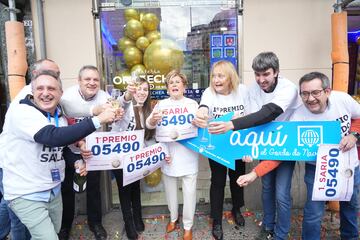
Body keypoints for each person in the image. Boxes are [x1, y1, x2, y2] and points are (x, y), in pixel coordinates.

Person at [1, 70, 115, 239]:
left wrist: (77, 162)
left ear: (60, 94)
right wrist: (98, 119)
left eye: (51, 89)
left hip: (52, 191)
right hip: (27, 194)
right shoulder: (23, 112)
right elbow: (52, 136)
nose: (46, 93)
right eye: (40, 88)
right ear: (32, 91)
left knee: (51, 232)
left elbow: (61, 148)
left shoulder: (59, 116)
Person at [203, 53, 302, 240]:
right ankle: (266, 226)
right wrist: (249, 146)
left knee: (281, 193)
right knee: (265, 188)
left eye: (266, 74)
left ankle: (280, 233)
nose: (261, 79)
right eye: (257, 74)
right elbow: (253, 120)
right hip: (259, 144)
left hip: (284, 144)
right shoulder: (252, 89)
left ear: (276, 72)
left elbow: (267, 113)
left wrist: (232, 125)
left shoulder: (288, 88)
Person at [288, 72, 360, 240]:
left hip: (349, 166)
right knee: (313, 212)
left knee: (350, 207)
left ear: (327, 91)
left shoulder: (343, 100)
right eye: (304, 93)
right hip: (316, 169)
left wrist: (353, 135)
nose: (310, 98)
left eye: (315, 92)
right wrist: (256, 172)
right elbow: (282, 147)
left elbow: (358, 118)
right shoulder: (298, 116)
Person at [0, 58, 60, 240]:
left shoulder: (53, 102)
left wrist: (95, 110)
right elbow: (50, 136)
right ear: (34, 77)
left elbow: (68, 112)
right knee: (18, 220)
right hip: (20, 179)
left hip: (43, 181)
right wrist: (96, 119)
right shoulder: (24, 103)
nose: (54, 78)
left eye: (57, 75)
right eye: (50, 74)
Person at [192, 60, 250, 240]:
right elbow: (204, 106)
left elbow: (251, 117)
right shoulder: (209, 93)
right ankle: (216, 219)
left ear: (230, 77)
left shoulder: (243, 91)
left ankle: (236, 208)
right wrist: (201, 113)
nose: (216, 80)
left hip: (239, 142)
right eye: (214, 76)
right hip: (217, 144)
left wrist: (249, 148)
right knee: (217, 181)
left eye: (220, 76)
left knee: (237, 179)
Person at [58, 65, 118, 240]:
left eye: (96, 80)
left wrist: (117, 113)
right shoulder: (67, 96)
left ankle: (95, 223)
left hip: (94, 151)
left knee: (94, 189)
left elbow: (113, 115)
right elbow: (67, 117)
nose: (92, 83)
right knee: (67, 189)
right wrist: (95, 112)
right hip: (70, 150)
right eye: (87, 79)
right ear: (79, 81)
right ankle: (65, 226)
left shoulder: (104, 96)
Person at [146, 70, 199, 240]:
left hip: (189, 155)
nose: (174, 85)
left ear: (184, 86)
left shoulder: (193, 105)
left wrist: (198, 123)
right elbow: (150, 124)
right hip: (168, 155)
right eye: (171, 82)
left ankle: (188, 226)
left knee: (190, 193)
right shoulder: (161, 105)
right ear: (168, 88)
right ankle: (173, 218)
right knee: (170, 191)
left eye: (178, 82)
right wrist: (153, 120)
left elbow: (202, 128)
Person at [111, 77, 155, 239]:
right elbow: (119, 103)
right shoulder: (125, 107)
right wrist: (127, 96)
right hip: (118, 157)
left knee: (135, 187)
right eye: (139, 89)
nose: (142, 92)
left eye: (145, 89)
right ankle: (128, 223)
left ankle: (137, 218)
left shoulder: (148, 110)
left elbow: (149, 137)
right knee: (124, 191)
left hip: (136, 158)